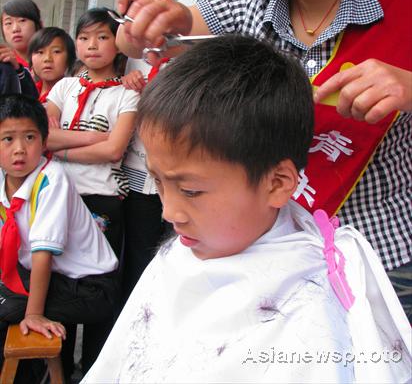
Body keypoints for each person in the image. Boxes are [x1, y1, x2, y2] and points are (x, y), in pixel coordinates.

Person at [114, 0, 412, 318]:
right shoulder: (254, 0)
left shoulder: (405, 6)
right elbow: (181, 22)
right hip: (276, 256)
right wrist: (144, 27)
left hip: (388, 261)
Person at [83, 35, 410, 384]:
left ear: (277, 184)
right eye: (159, 182)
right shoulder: (175, 257)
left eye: (191, 190)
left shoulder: (311, 302)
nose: (169, 213)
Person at [45, 8, 138, 372]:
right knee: (58, 282)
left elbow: (114, 150)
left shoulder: (128, 94)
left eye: (102, 36)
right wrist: (91, 139)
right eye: (84, 38)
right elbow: (42, 134)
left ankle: (96, 368)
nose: (92, 45)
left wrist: (61, 149)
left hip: (103, 199)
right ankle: (59, 368)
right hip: (58, 197)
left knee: (99, 287)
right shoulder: (64, 87)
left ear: (118, 43)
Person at [0, 94, 118, 381]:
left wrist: (34, 314)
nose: (19, 149)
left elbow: (43, 254)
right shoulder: (3, 182)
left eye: (29, 137)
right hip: (51, 279)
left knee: (10, 306)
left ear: (44, 141)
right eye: (7, 139)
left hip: (91, 287)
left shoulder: (51, 179)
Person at [120, 0, 173, 304]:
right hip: (140, 178)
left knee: (173, 259)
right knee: (138, 258)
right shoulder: (129, 52)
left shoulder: (191, 43)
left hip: (176, 175)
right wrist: (127, 81)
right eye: (130, 12)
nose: (139, 19)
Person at [28, 27, 76, 104]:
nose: (47, 58)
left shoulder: (73, 97)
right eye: (40, 52)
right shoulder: (27, 93)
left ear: (69, 58)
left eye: (56, 51)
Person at [1, 0, 42, 68]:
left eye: (22, 20)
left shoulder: (51, 61)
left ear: (38, 24)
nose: (15, 29)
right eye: (8, 23)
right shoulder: (4, 63)